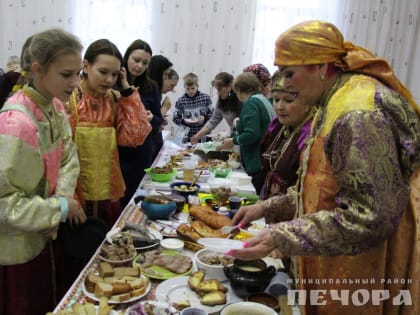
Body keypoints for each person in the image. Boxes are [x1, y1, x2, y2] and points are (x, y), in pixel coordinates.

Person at [228, 20, 420, 315]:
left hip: (362, 263)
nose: (285, 83)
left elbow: (371, 217)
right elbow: (322, 189)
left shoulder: (357, 112)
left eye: (290, 73)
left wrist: (282, 236)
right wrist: (267, 208)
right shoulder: (334, 100)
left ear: (322, 67)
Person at [0, 28, 85, 315]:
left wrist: (60, 202)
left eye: (78, 74)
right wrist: (57, 208)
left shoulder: (56, 109)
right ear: (37, 69)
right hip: (16, 250)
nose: (75, 83)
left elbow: (68, 158)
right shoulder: (16, 124)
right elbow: (3, 203)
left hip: (45, 235)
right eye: (66, 75)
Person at [68, 39, 151, 227]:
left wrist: (127, 91)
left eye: (115, 74)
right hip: (75, 197)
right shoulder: (69, 99)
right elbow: (58, 156)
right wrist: (68, 198)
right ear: (86, 66)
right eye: (103, 72)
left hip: (108, 196)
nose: (109, 80)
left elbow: (135, 137)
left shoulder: (115, 100)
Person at [259, 70, 315, 200]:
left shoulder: (310, 136)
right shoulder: (280, 126)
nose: (279, 107)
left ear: (307, 103)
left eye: (288, 100)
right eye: (276, 99)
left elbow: (306, 194)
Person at [218, 72, 275, 194]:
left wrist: (233, 141)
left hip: (257, 161)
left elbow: (252, 134)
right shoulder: (264, 100)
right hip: (266, 159)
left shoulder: (251, 103)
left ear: (238, 89)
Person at [118, 39, 155, 208]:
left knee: (136, 196)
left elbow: (160, 120)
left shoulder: (150, 86)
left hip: (142, 149)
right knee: (119, 197)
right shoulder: (113, 81)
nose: (139, 66)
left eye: (145, 63)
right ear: (127, 57)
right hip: (119, 149)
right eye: (136, 60)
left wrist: (152, 117)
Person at [190, 72, 242, 144]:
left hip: (242, 138)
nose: (218, 93)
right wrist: (198, 135)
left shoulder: (240, 99)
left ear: (229, 86)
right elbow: (213, 121)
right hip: (235, 138)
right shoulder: (221, 101)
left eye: (220, 89)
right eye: (217, 90)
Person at [173, 72, 213, 143]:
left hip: (204, 135)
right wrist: (183, 121)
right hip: (188, 137)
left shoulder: (205, 98)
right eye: (187, 88)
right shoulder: (180, 101)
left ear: (197, 86)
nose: (190, 91)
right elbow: (175, 118)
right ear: (184, 87)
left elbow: (213, 115)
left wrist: (205, 118)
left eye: (193, 88)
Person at [148, 55, 173, 158]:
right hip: (149, 145)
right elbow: (146, 121)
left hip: (155, 142)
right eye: (165, 74)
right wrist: (165, 109)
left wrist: (160, 120)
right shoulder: (149, 90)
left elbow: (155, 118)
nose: (166, 78)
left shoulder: (155, 90)